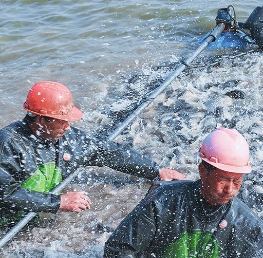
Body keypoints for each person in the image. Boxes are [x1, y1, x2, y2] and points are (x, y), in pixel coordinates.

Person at [103, 127, 263, 258]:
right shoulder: (164, 202)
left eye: (237, 181)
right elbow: (118, 248)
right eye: (223, 179)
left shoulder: (242, 220)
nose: (230, 189)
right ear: (202, 171)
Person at [0, 81, 186, 220]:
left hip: (33, 216)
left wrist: (156, 170)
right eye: (62, 120)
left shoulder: (67, 139)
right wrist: (59, 202)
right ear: (41, 120)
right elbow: (4, 195)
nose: (68, 127)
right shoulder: (9, 144)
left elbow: (109, 152)